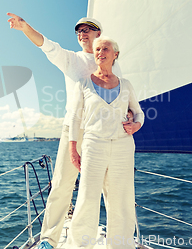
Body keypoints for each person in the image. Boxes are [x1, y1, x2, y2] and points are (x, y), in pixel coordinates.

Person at [7, 12, 122, 249]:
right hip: (74, 130)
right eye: (79, 31)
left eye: (87, 29)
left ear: (98, 33)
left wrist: (130, 116)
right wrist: (25, 27)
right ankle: (49, 239)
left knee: (109, 187)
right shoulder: (71, 59)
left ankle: (117, 240)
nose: (82, 33)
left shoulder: (113, 64)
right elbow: (45, 44)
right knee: (61, 184)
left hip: (104, 130)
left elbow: (123, 95)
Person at [67, 36, 143, 249]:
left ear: (115, 54)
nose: (100, 52)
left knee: (121, 199)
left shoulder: (126, 85)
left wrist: (136, 125)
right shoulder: (84, 84)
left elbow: (139, 113)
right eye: (97, 49)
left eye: (105, 49)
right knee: (87, 198)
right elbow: (74, 118)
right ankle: (80, 246)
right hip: (93, 145)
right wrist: (73, 149)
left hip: (123, 147)